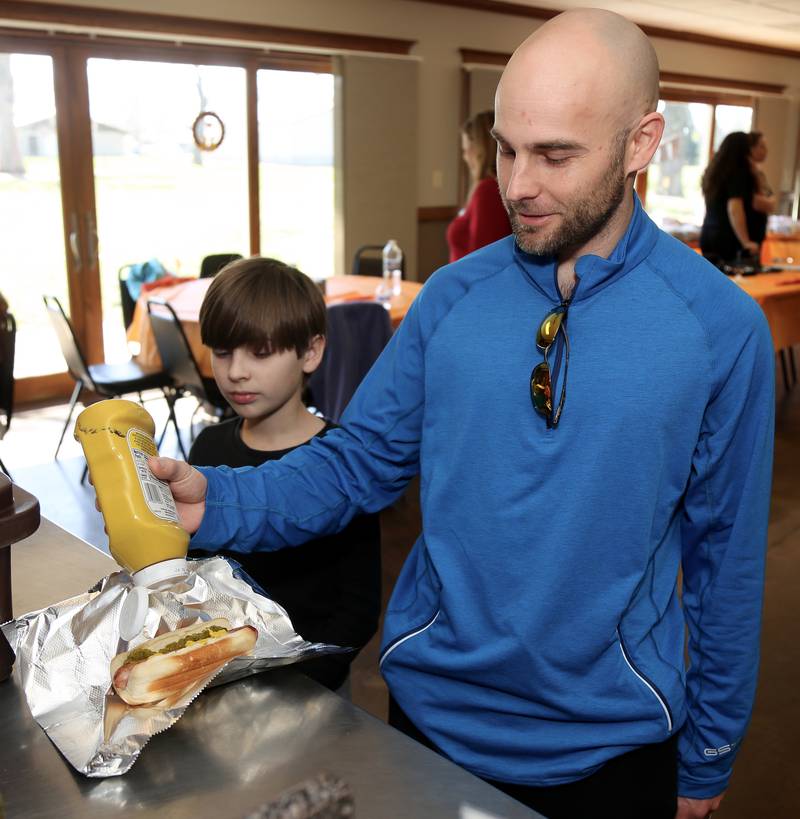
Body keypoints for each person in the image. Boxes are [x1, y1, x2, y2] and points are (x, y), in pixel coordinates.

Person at [147, 10, 773, 819]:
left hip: (611, 749)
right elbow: (356, 461)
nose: (516, 184)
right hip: (428, 723)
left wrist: (711, 749)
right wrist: (220, 499)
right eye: (508, 148)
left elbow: (726, 564)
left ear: (642, 143)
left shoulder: (720, 331)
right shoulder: (451, 298)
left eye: (554, 154)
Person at [186, 257, 382, 693]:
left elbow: (358, 608)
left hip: (314, 687)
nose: (236, 371)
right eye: (222, 351)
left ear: (310, 352)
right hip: (220, 679)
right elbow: (192, 576)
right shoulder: (207, 449)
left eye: (260, 352)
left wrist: (304, 689)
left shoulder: (340, 465)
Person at [700, 130, 776, 267]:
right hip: (729, 242)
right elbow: (734, 208)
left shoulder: (714, 172)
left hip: (710, 235)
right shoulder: (738, 172)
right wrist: (746, 242)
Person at [446, 109, 511, 261]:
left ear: (480, 149)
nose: (465, 157)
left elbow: (483, 256)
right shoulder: (487, 188)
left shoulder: (487, 191)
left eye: (467, 150)